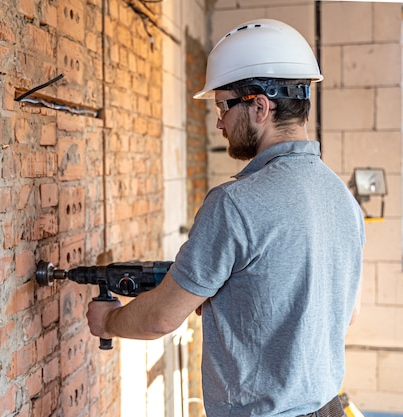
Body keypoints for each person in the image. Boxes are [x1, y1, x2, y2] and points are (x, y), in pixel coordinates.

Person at [86, 18, 364, 417]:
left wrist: (110, 321)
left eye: (223, 106)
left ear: (260, 106)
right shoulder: (343, 199)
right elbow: (345, 312)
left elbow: (162, 318)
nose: (219, 122)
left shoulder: (234, 203)